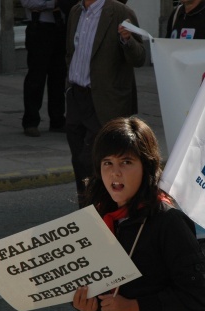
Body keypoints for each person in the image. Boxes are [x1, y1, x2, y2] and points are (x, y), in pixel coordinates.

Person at [72, 116, 205, 311]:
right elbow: (95, 278)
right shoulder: (98, 214)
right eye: (107, 163)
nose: (115, 173)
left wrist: (133, 307)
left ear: (147, 166)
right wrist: (85, 301)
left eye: (126, 162)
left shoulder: (169, 222)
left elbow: (197, 296)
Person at [65, 0, 146, 207]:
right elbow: (71, 52)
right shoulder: (76, 11)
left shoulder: (120, 12)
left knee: (95, 159)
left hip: (105, 101)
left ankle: (103, 210)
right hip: (76, 97)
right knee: (79, 160)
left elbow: (139, 57)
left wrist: (126, 40)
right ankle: (87, 211)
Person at [21, 0, 79, 137]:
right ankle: (31, 122)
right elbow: (27, 2)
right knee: (36, 76)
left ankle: (57, 119)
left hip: (60, 26)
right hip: (39, 27)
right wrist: (53, 3)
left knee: (58, 76)